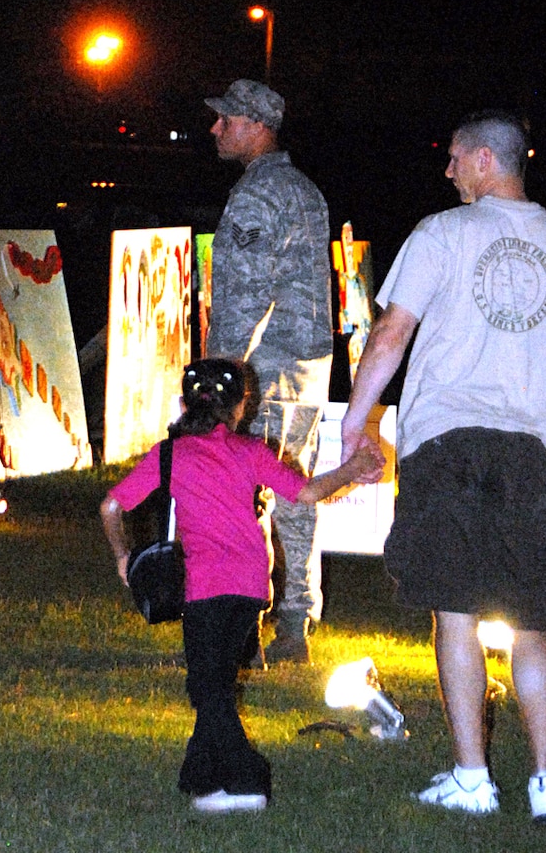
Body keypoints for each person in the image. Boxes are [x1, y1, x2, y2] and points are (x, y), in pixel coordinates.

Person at [340, 112, 546, 829]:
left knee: (456, 610)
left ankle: (472, 778)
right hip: (527, 450)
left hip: (445, 441)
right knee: (530, 619)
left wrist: (357, 417)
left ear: (486, 159)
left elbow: (392, 331)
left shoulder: (440, 233)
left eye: (456, 158)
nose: (448, 171)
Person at [100, 358, 382, 815]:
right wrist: (353, 468)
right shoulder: (249, 451)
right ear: (238, 407)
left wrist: (122, 557)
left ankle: (246, 782)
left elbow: (111, 507)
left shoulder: (169, 455)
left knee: (207, 687)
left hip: (205, 587)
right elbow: (307, 493)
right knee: (218, 679)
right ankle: (200, 772)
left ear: (185, 402)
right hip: (252, 585)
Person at [204, 78, 333, 662]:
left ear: (256, 125)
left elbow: (245, 294)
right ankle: (296, 619)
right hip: (305, 365)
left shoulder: (258, 196)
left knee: (242, 494)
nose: (215, 128)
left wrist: (218, 375)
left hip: (261, 371)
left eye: (226, 119)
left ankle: (246, 620)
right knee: (295, 490)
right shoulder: (306, 190)